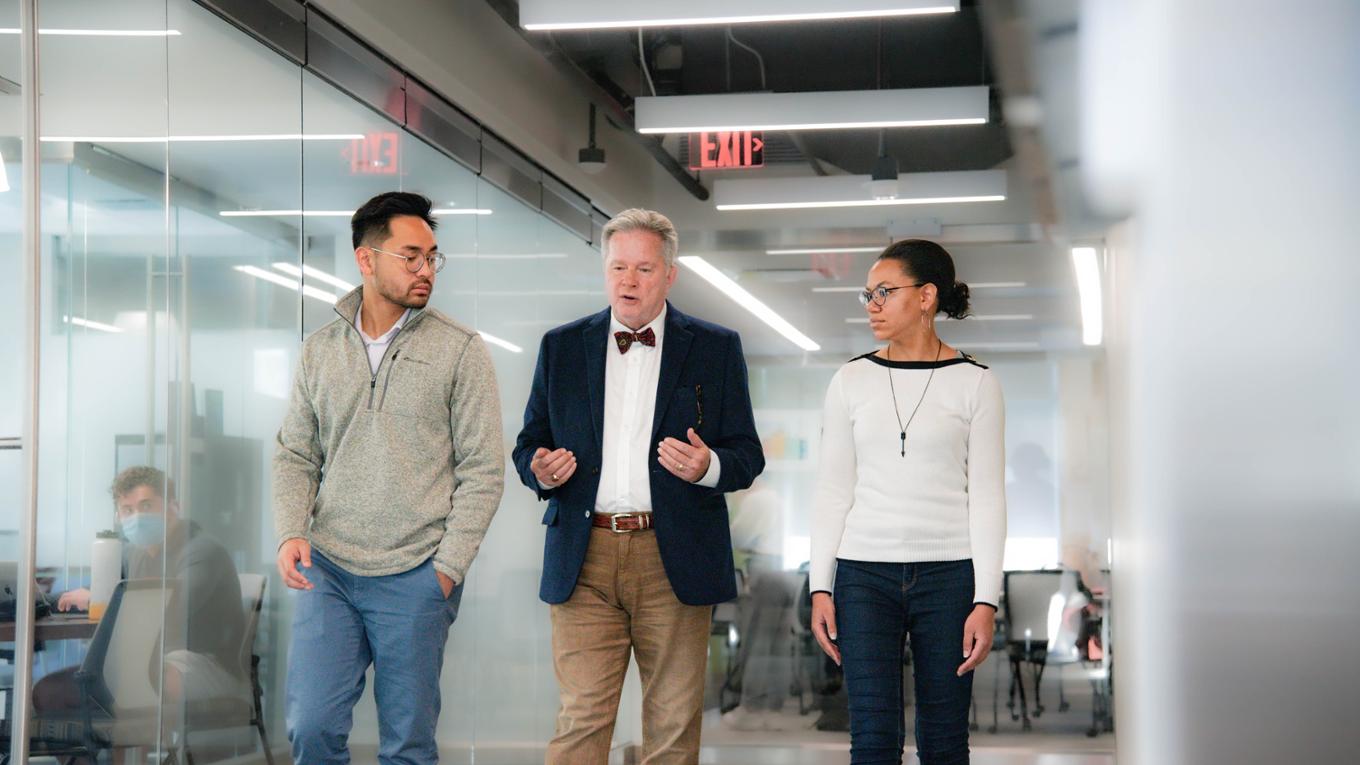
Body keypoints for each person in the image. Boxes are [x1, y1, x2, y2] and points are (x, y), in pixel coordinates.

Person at [513, 209, 764, 764]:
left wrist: (708, 467)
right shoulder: (561, 347)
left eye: (644, 269)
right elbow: (529, 441)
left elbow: (746, 455)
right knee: (581, 717)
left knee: (672, 726)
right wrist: (539, 467)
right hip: (585, 557)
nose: (628, 280)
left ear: (670, 275)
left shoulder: (715, 348)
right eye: (618, 266)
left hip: (672, 556)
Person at [273, 191, 505, 765]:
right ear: (366, 258)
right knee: (311, 728)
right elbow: (295, 454)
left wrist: (446, 570)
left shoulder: (460, 351)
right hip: (328, 571)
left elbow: (483, 471)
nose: (425, 270)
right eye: (411, 256)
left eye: (432, 257)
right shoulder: (319, 350)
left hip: (416, 574)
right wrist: (290, 531)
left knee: (407, 744)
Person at [808, 239, 1006, 764]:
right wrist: (820, 586)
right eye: (867, 294)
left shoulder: (976, 384)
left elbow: (987, 498)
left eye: (884, 292)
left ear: (925, 297)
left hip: (949, 577)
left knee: (943, 742)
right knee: (872, 740)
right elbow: (832, 490)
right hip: (863, 575)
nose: (872, 304)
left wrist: (987, 598)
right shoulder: (850, 379)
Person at [39, 466, 246, 708]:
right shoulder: (133, 554)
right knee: (48, 692)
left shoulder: (202, 552)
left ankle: (134, 741)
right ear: (119, 516)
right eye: (127, 510)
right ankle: (107, 742)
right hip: (150, 661)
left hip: (208, 665)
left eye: (146, 506)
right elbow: (88, 593)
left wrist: (99, 600)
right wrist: (36, 602)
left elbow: (171, 612)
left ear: (173, 507)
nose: (137, 517)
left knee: (131, 682)